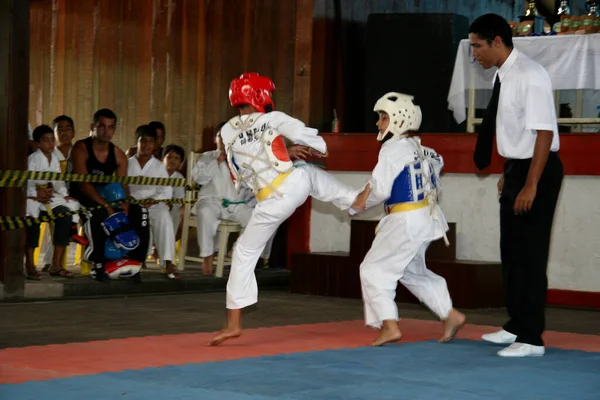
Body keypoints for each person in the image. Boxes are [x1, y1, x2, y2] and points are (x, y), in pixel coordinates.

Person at [208, 72, 359, 346]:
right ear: (260, 96)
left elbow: (240, 173)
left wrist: (284, 152)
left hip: (267, 203)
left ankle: (233, 323)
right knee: (310, 175)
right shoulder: (274, 119)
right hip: (290, 187)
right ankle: (355, 201)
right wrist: (311, 149)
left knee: (243, 253)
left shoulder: (227, 131)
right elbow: (316, 141)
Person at [469, 14, 563, 357]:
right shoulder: (504, 74)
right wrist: (509, 174)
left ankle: (532, 338)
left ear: (496, 41)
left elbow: (543, 132)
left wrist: (531, 185)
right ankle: (516, 324)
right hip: (518, 168)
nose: (474, 53)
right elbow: (516, 132)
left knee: (530, 255)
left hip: (537, 170)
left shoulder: (530, 75)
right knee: (511, 251)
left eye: (477, 46)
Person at [350, 92, 465, 346]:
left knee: (373, 269)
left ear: (399, 120)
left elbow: (380, 189)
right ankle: (450, 313)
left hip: (405, 220)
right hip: (428, 219)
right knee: (412, 271)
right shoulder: (430, 152)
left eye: (383, 118)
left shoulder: (392, 149)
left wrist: (358, 204)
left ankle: (389, 325)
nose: (379, 124)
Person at [70, 109, 151, 281]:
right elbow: (83, 184)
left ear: (114, 130)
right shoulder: (80, 148)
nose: (106, 131)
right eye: (102, 126)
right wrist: (107, 207)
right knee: (97, 213)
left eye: (110, 127)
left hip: (107, 194)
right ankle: (97, 263)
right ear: (93, 127)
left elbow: (123, 183)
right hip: (82, 194)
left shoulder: (119, 155)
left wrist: (126, 202)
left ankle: (135, 262)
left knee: (141, 212)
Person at [192, 122, 274, 276]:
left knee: (258, 221)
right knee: (204, 212)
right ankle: (207, 254)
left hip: (236, 204)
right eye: (220, 137)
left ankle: (237, 253)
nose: (224, 141)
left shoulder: (242, 159)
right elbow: (199, 178)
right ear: (214, 139)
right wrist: (218, 161)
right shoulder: (207, 157)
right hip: (212, 201)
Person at [24, 125, 81, 279]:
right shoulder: (33, 159)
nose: (50, 144)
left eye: (51, 140)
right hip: (33, 197)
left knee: (66, 212)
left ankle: (56, 264)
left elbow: (57, 181)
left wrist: (64, 194)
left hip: (49, 196)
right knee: (32, 219)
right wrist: (36, 193)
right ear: (38, 144)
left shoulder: (54, 158)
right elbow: (27, 182)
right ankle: (30, 265)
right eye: (45, 140)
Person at [128, 125, 179, 279]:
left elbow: (166, 191)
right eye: (143, 141)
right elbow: (120, 185)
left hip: (154, 204)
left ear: (155, 145)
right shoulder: (128, 162)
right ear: (136, 142)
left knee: (164, 216)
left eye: (150, 142)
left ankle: (167, 261)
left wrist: (153, 200)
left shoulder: (158, 166)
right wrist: (131, 200)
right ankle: (135, 259)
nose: (146, 145)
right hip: (132, 204)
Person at [42, 115, 77, 272]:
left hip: (75, 195)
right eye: (59, 129)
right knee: (63, 217)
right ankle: (53, 261)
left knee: (77, 209)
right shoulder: (49, 154)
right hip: (53, 196)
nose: (64, 132)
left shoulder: (79, 152)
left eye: (68, 128)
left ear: (74, 132)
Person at [162, 144, 186, 239]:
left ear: (180, 163)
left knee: (176, 213)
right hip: (154, 204)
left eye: (176, 158)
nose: (172, 160)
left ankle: (170, 241)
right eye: (169, 157)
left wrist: (170, 204)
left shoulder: (179, 177)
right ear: (162, 159)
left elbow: (178, 199)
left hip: (170, 206)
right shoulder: (156, 173)